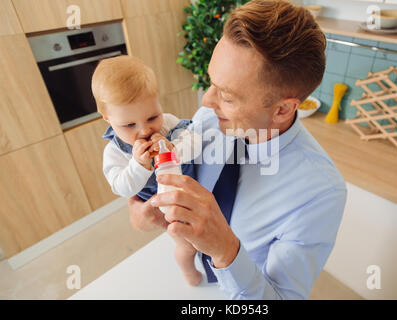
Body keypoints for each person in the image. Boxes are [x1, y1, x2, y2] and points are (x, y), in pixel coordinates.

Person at [128, 0, 347, 299]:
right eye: (211, 82)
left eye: (228, 96)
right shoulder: (209, 119)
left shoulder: (320, 192)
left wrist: (224, 249)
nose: (206, 101)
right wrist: (138, 210)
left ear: (283, 109)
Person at [91, 55, 204, 286]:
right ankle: (189, 273)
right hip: (160, 207)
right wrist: (139, 165)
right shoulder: (115, 152)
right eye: (129, 125)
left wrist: (176, 149)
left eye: (152, 116)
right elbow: (122, 187)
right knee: (187, 244)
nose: (144, 130)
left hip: (189, 189)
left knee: (204, 230)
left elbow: (196, 142)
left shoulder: (168, 124)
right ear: (107, 119)